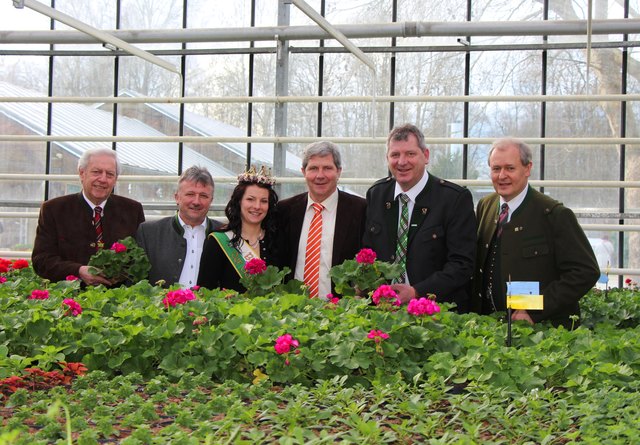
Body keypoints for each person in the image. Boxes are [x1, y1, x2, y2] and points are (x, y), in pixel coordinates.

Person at [473, 138, 599, 328]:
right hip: (491, 328)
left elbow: (585, 272)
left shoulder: (553, 214)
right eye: (496, 169)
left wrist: (535, 309)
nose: (502, 176)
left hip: (542, 329)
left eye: (510, 168)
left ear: (527, 168)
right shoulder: (486, 206)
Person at [363, 124, 476, 310]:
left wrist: (417, 292)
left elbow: (462, 265)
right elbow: (367, 251)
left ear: (426, 156)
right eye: (395, 155)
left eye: (410, 154)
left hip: (437, 313)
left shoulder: (454, 199)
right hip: (383, 310)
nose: (402, 162)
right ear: (387, 158)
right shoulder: (377, 195)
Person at [32, 148, 145, 285]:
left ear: (116, 179)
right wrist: (78, 270)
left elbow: (141, 257)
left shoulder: (132, 210)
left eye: (110, 174)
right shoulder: (54, 210)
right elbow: (41, 260)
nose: (103, 179)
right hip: (68, 296)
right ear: (82, 173)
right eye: (96, 172)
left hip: (120, 297)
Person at [277, 141, 367, 299]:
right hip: (292, 310)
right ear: (303, 171)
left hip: (341, 311)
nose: (320, 175)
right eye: (313, 168)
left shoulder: (360, 210)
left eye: (327, 168)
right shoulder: (284, 210)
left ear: (339, 171)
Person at [135, 166, 222, 288]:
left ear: (211, 200)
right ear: (177, 197)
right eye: (190, 194)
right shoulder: (149, 233)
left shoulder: (225, 234)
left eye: (203, 196)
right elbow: (136, 283)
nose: (196, 201)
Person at [197, 166, 279, 292]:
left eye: (263, 201)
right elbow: (205, 291)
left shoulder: (276, 241)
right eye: (250, 199)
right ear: (239, 201)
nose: (257, 206)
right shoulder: (218, 242)